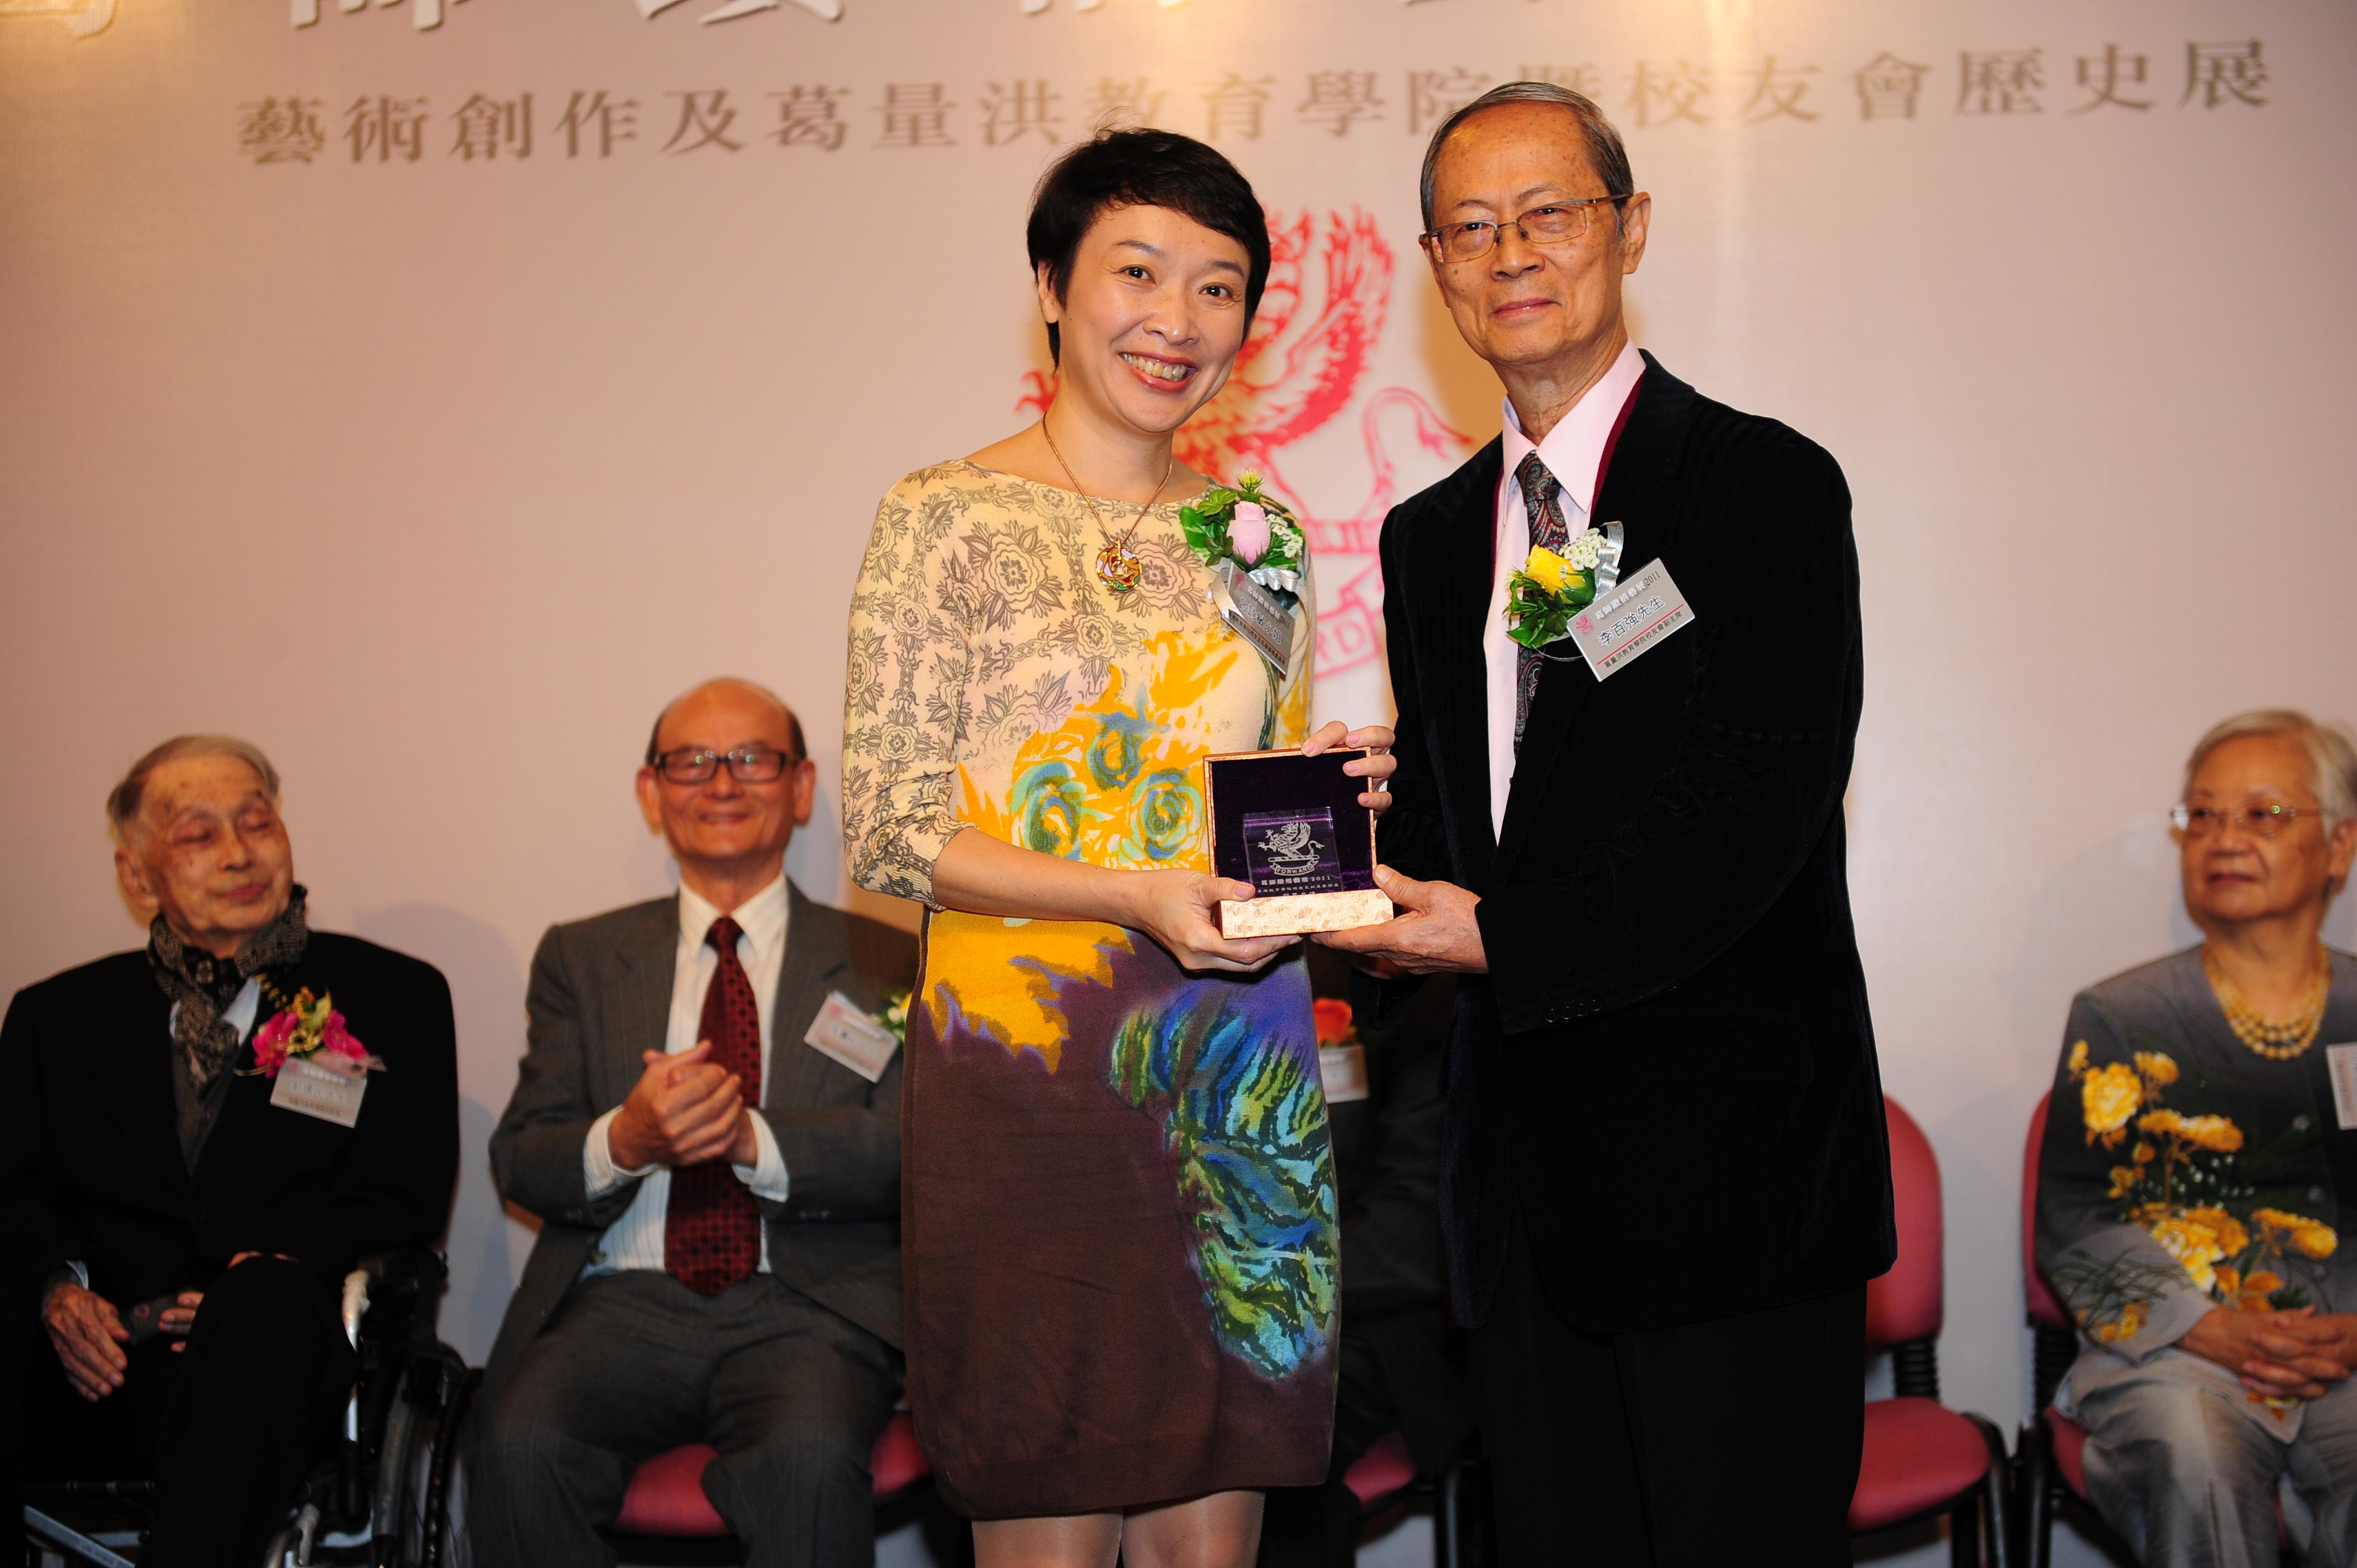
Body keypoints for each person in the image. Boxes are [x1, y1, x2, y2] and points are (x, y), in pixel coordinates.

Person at [1318, 82, 1894, 1565]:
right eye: (1470, 227)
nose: (1510, 253)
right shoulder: (1430, 538)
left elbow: (1754, 803)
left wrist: (1497, 937)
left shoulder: (1760, 485)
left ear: (1630, 227)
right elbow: (1466, 832)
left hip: (1730, 1188)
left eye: (1548, 213)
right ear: (1434, 266)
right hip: (1522, 1205)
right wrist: (1358, 856)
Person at [842, 127, 1394, 1568]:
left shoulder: (1259, 534)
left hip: (1234, 1067)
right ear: (1050, 287)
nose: (1178, 319)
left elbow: (1248, 821)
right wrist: (1130, 894)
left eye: (1219, 288)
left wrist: (1332, 804)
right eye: (1137, 272)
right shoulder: (943, 515)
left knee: (1213, 1541)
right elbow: (892, 828)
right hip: (1030, 1075)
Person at [472, 678, 917, 1568]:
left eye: (753, 759)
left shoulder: (886, 956)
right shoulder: (581, 957)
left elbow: (912, 1154)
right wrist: (626, 1140)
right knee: (518, 1446)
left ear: (801, 787)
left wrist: (754, 1140)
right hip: (621, 1306)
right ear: (652, 791)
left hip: (809, 1307)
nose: (721, 783)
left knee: (806, 1460)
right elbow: (523, 1156)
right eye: (691, 762)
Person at [4, 734, 459, 1567]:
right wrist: (57, 1291)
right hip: (101, 1368)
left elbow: (407, 1187)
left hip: (278, 1359)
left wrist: (281, 1263)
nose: (241, 853)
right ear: (137, 876)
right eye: (198, 833)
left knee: (263, 1301)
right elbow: (18, 1188)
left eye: (258, 822)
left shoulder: (392, 995)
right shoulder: (56, 1017)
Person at [2037, 709, 2357, 1567]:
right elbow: (2074, 1219)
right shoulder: (2122, 1016)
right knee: (2196, 1459)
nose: (2226, 838)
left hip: (2352, 1356)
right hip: (2174, 1356)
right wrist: (2206, 1326)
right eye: (2204, 815)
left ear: (2339, 847)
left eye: (2264, 814)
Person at [1256, 948, 1469, 1568]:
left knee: (1264, 1413)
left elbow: (1417, 1216)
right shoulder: (1169, 969)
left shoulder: (1410, 971)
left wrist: (1263, 1294)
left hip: (1369, 1321)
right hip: (1201, 1309)